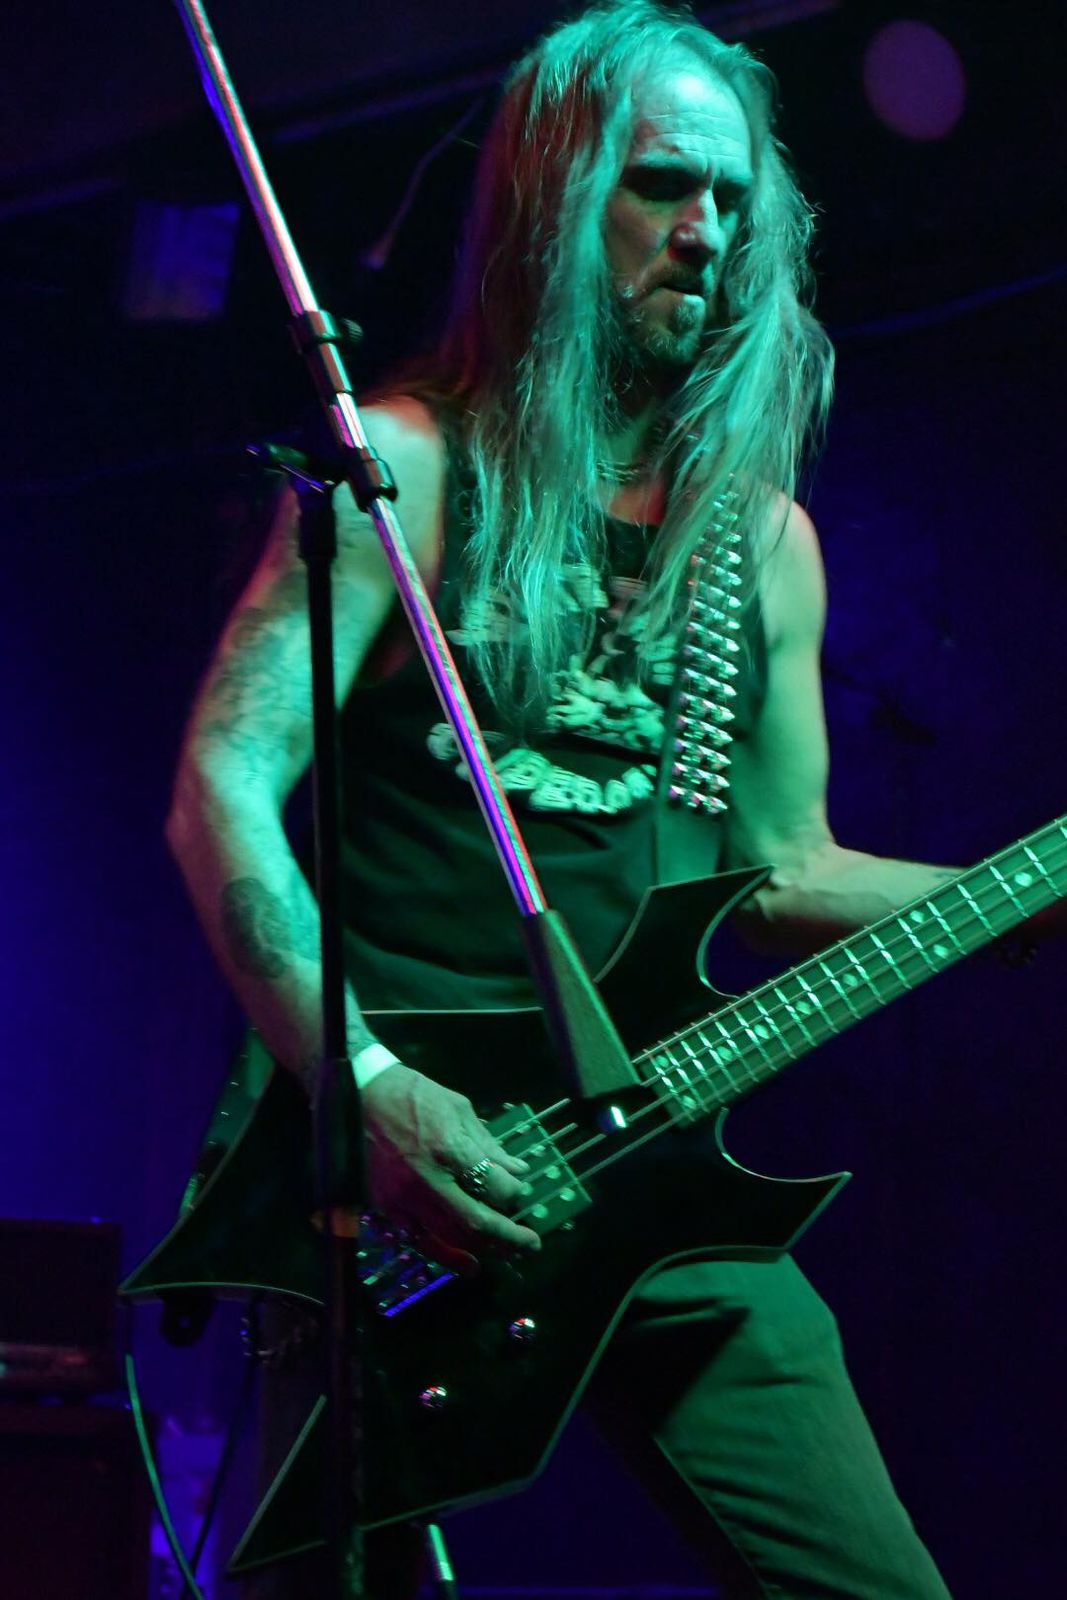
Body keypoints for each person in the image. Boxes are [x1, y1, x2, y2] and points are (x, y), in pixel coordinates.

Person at [165, 3, 966, 1594]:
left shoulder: (762, 546)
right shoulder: (407, 471)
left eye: (733, 199)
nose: (707, 233)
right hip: (396, 1176)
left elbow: (780, 866)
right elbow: (220, 787)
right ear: (553, 199)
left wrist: (1028, 892)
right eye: (663, 185)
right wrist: (366, 1083)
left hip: (654, 1169)